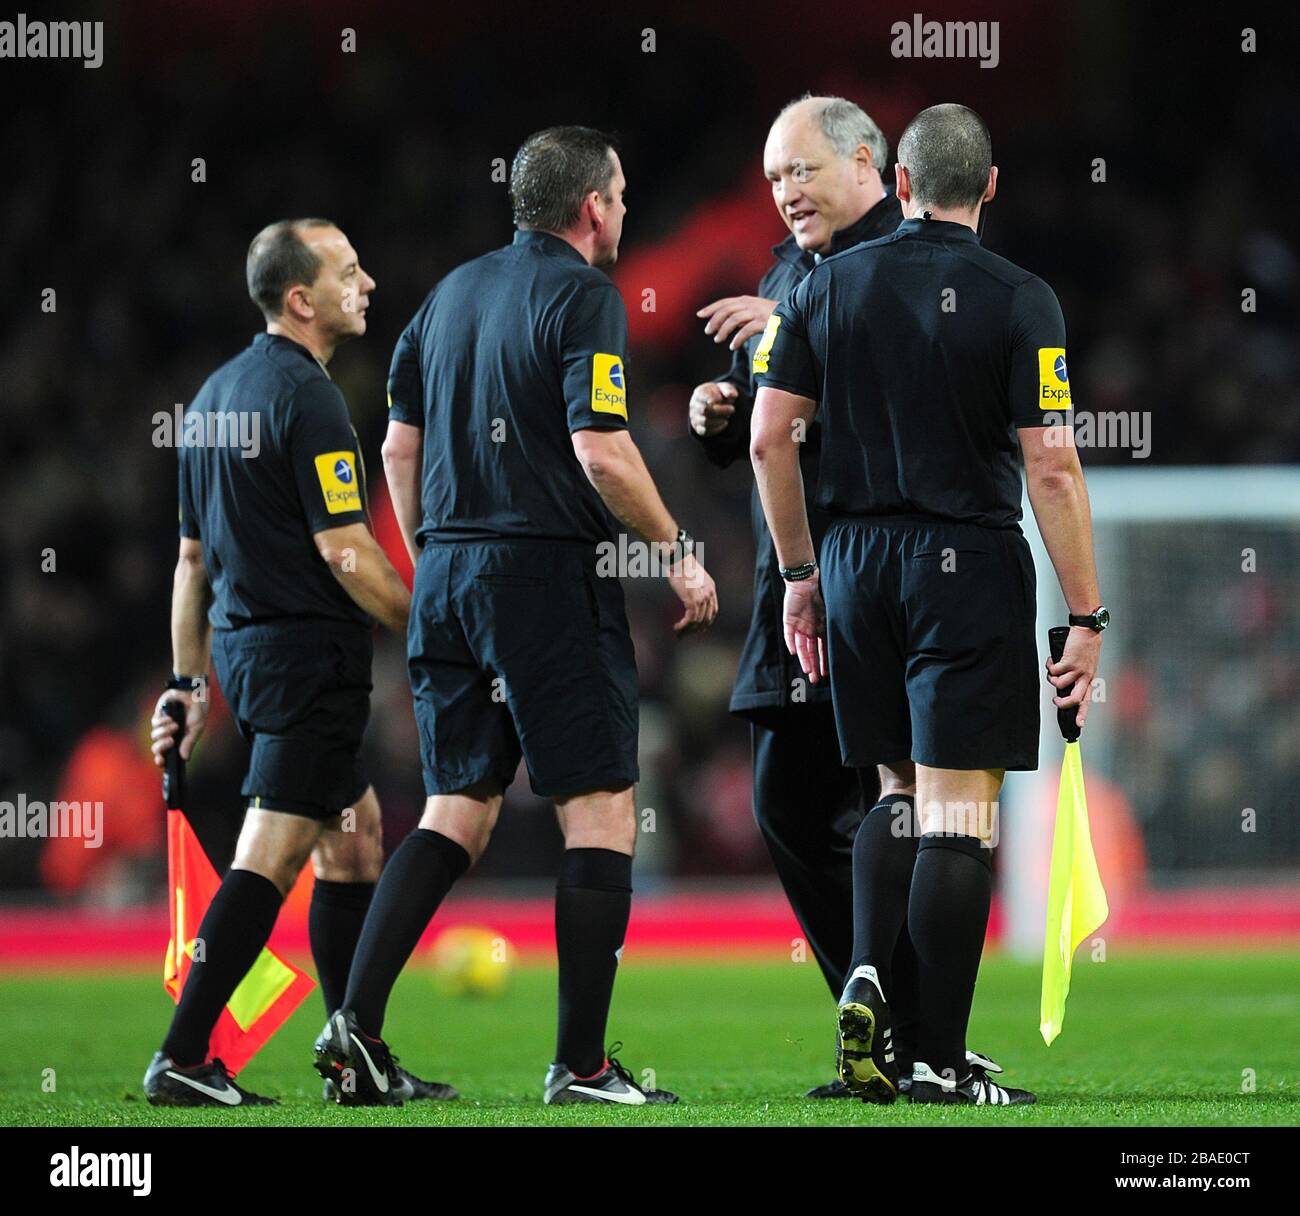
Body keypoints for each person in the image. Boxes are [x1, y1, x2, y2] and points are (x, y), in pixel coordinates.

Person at [315, 126, 718, 1107]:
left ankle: (353, 1030)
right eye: (617, 196)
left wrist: (437, 555)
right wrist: (675, 550)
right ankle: (580, 1066)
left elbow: (396, 453)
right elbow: (603, 450)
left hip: (447, 573)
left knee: (457, 807)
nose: (621, 212)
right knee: (602, 809)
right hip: (540, 575)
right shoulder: (584, 295)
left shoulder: (446, 296)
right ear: (590, 206)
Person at [751, 104, 1107, 1106]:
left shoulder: (824, 286)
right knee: (958, 812)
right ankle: (937, 1060)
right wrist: (1085, 618)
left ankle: (870, 994)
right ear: (988, 186)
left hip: (857, 560)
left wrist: (800, 575)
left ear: (897, 183)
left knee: (895, 793)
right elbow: (1051, 462)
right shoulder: (1021, 297)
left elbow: (769, 438)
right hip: (966, 556)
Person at [690, 94, 997, 1099]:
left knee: (896, 793)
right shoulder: (793, 274)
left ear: (870, 161)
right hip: (801, 579)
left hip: (869, 577)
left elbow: (906, 377)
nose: (784, 194)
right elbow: (778, 418)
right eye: (773, 179)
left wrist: (787, 330)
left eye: (799, 172)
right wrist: (726, 397)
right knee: (793, 803)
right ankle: (884, 1018)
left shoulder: (906, 262)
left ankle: (913, 1030)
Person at [144, 220, 453, 1107]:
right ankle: (183, 1055)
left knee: (352, 841)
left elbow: (191, 565)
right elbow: (347, 552)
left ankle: (355, 1052)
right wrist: (432, 628)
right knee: (270, 855)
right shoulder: (309, 398)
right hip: (308, 657)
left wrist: (188, 683)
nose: (368, 283)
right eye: (349, 272)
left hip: (250, 657)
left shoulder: (211, 399)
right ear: (300, 299)